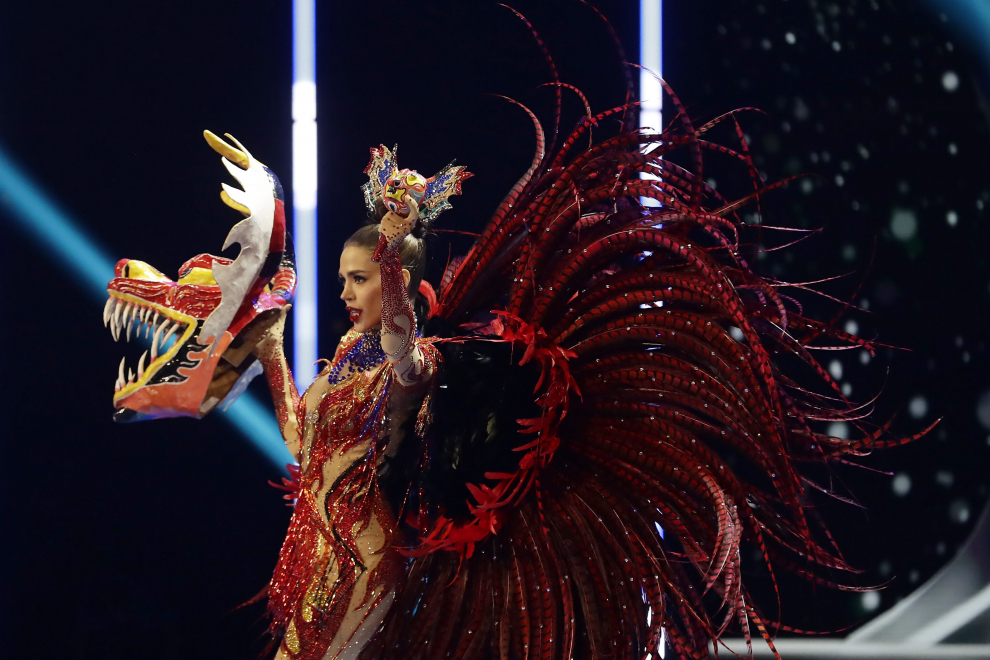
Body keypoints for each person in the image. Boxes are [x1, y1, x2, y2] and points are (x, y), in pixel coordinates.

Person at [252, 192, 440, 659]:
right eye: (343, 280)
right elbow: (301, 441)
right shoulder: (347, 354)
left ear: (399, 280)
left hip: (369, 567)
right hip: (318, 562)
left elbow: (400, 339)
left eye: (360, 278)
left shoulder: (415, 364)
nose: (345, 294)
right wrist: (272, 349)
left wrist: (391, 257)